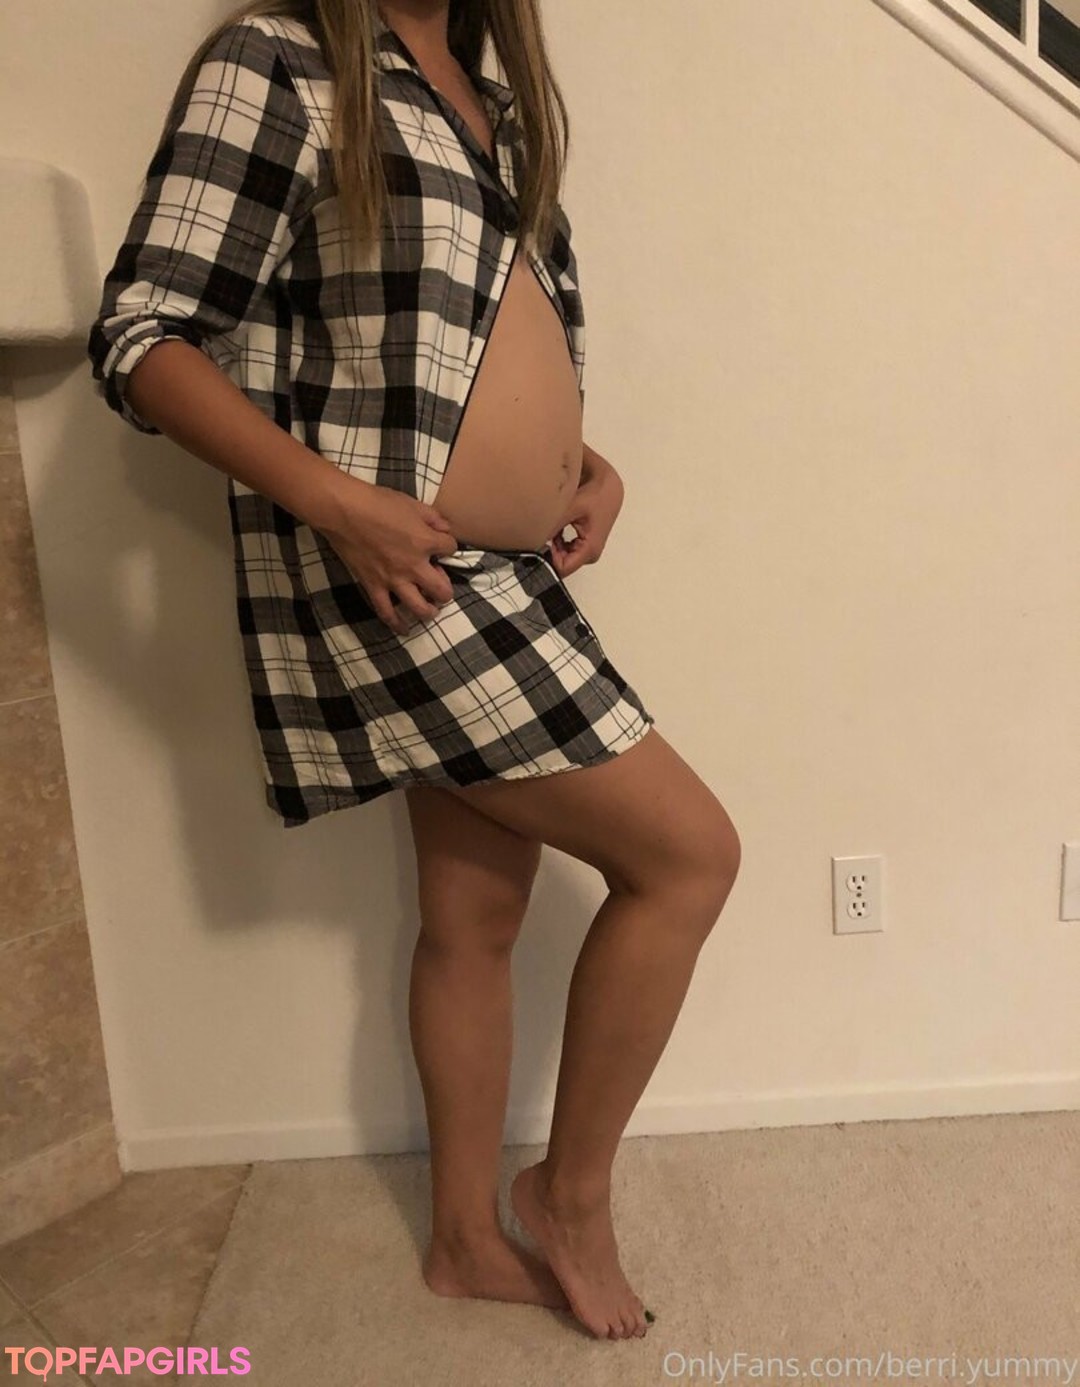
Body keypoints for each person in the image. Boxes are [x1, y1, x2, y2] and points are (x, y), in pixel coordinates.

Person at [86, 0, 741, 1344]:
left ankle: (459, 1239)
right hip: (403, 575)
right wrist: (335, 503)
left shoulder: (489, 103)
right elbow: (145, 334)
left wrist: (581, 463)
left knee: (474, 914)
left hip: (508, 567)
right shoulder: (280, 64)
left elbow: (477, 333)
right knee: (688, 857)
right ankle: (569, 1198)